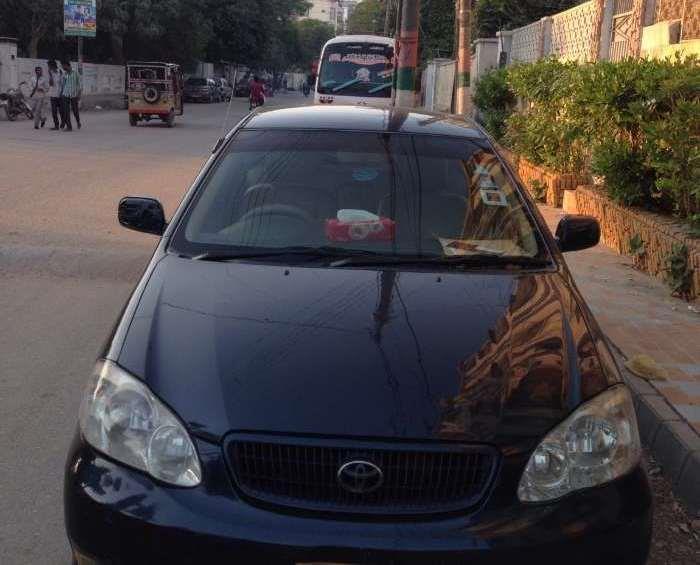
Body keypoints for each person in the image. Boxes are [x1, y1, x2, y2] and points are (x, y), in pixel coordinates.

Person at [61, 61, 81, 131]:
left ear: (67, 66)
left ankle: (78, 121)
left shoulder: (75, 73)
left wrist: (79, 94)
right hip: (65, 94)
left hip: (74, 94)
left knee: (75, 110)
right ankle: (69, 127)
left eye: (63, 66)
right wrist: (62, 93)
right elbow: (63, 84)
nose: (63, 68)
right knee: (66, 111)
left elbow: (79, 84)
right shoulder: (64, 74)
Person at [47, 60, 64, 130]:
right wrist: (50, 75)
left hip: (60, 95)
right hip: (53, 95)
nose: (48, 67)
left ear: (52, 66)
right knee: (54, 111)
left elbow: (63, 84)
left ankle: (63, 122)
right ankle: (56, 125)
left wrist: (62, 93)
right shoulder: (51, 73)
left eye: (49, 66)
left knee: (61, 111)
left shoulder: (60, 72)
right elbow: (51, 84)